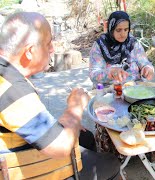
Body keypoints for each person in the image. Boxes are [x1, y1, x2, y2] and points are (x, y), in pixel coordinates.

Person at [0, 11, 120, 179]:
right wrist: (75, 107)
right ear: (29, 52)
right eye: (48, 43)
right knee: (113, 162)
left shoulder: (6, 73)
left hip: (22, 152)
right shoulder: (12, 89)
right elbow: (60, 146)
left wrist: (69, 122)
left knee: (85, 136)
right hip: (33, 169)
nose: (52, 49)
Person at [89, 11, 155, 155]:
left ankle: (146, 150)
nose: (123, 34)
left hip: (134, 92)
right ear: (111, 29)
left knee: (146, 118)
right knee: (112, 124)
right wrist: (110, 72)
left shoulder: (133, 44)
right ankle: (114, 157)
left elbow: (144, 62)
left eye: (126, 29)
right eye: (118, 30)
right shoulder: (100, 46)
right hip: (110, 93)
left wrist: (147, 68)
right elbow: (94, 75)